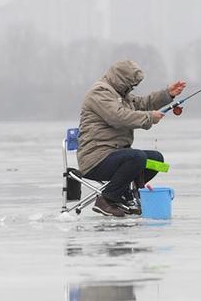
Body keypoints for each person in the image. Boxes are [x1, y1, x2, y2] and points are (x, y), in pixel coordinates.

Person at [77, 60, 186, 217]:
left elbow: (142, 103)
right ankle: (107, 199)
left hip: (115, 156)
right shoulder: (99, 93)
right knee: (137, 158)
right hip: (95, 160)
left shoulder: (121, 94)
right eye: (131, 84)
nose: (132, 88)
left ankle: (128, 195)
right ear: (121, 79)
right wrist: (149, 117)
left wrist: (167, 94)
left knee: (156, 160)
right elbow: (118, 117)